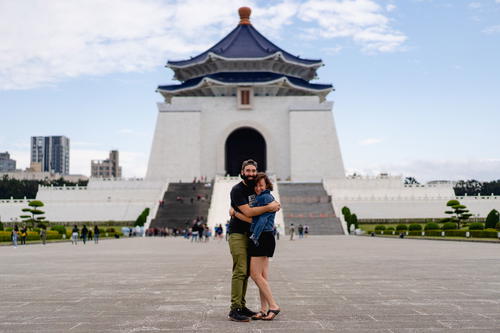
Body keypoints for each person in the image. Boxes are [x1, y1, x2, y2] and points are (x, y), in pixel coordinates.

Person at [227, 159, 280, 322]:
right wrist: (270, 207)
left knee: (256, 274)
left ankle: (255, 307)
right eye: (247, 171)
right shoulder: (237, 190)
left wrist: (274, 205)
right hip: (238, 234)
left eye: (253, 171)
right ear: (242, 172)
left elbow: (265, 208)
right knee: (242, 270)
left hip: (255, 235)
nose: (250, 174)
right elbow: (249, 213)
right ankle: (235, 308)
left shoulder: (258, 189)